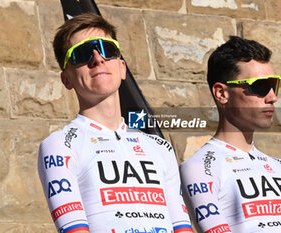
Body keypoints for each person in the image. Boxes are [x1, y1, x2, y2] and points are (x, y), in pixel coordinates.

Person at [37, 13, 193, 233]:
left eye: (107, 49)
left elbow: (182, 228)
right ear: (67, 79)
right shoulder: (59, 145)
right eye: (81, 54)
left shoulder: (159, 147)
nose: (97, 58)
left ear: (122, 68)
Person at [179, 36, 281, 233]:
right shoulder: (199, 168)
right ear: (222, 93)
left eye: (274, 85)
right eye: (260, 86)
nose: (273, 97)